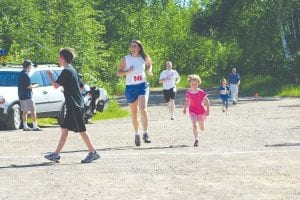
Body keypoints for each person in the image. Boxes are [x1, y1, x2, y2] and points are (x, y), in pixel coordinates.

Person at [44, 47, 99, 163]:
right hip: (73, 105)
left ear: (63, 58)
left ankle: (93, 152)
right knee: (64, 129)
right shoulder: (72, 70)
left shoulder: (67, 71)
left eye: (59, 57)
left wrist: (50, 75)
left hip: (75, 106)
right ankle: (56, 154)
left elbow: (55, 85)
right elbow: (81, 86)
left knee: (81, 130)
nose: (58, 59)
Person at [116, 40, 153, 146]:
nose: (132, 48)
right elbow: (118, 72)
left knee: (143, 109)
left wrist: (149, 70)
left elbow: (149, 64)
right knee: (134, 113)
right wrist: (127, 72)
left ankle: (145, 133)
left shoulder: (144, 57)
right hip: (131, 88)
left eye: (134, 46)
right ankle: (137, 133)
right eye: (131, 46)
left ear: (139, 48)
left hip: (142, 86)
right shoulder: (126, 59)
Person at [183, 74, 209, 147]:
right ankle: (196, 139)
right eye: (192, 84)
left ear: (198, 83)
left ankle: (201, 124)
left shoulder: (200, 92)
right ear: (190, 83)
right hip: (192, 110)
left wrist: (208, 110)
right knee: (194, 124)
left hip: (201, 110)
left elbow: (207, 101)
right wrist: (185, 108)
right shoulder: (188, 92)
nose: (194, 85)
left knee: (202, 128)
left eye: (196, 84)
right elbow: (187, 100)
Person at [18, 60, 42, 131]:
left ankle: (25, 126)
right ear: (28, 66)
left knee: (24, 112)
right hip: (28, 96)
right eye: (30, 66)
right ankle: (35, 126)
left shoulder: (21, 73)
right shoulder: (26, 74)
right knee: (33, 110)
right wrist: (36, 86)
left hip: (21, 95)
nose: (31, 67)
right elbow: (28, 86)